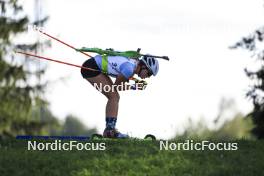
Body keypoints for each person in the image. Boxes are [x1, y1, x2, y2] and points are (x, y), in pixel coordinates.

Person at [80, 54, 159, 138]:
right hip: (91, 68)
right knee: (113, 96)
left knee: (115, 96)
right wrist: (135, 86)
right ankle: (110, 130)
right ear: (144, 67)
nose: (148, 77)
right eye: (149, 73)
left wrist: (135, 85)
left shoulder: (133, 64)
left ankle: (110, 129)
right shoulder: (129, 69)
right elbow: (116, 86)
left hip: (95, 65)